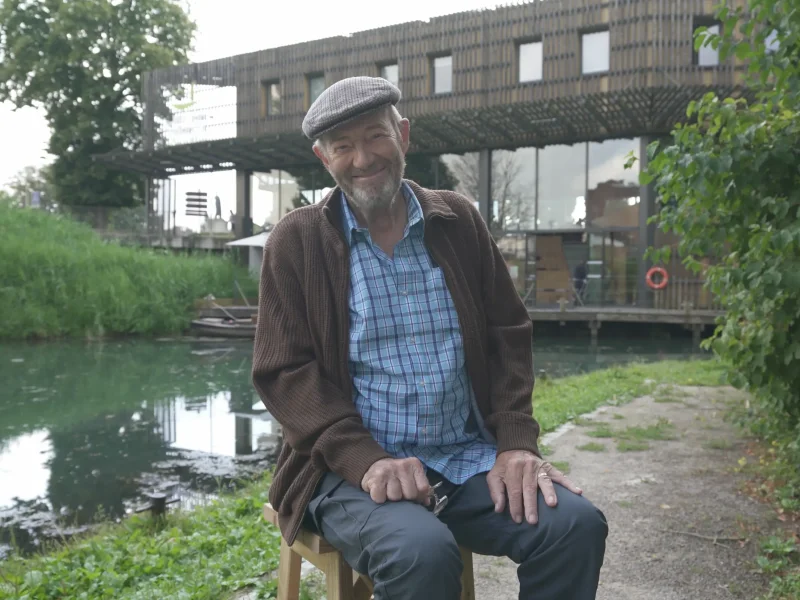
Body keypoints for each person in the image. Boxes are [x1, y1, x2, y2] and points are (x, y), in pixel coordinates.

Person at [252, 76, 608, 600]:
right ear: (324, 159)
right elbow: (283, 373)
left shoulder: (457, 220)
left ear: (403, 135)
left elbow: (508, 335)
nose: (363, 158)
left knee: (574, 526)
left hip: (464, 456)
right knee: (420, 552)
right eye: (343, 146)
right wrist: (367, 459)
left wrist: (515, 443)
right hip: (345, 469)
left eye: (376, 136)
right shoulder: (297, 239)